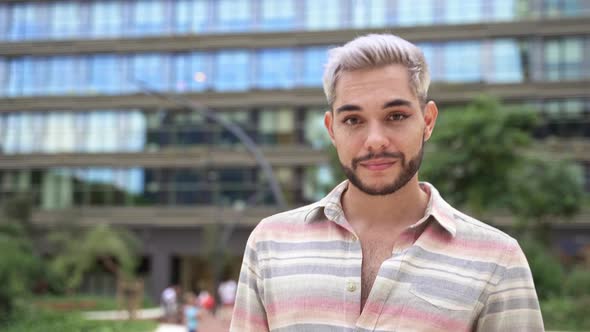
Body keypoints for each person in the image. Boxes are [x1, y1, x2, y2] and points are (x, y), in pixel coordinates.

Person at [230, 33, 544, 331]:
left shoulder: (498, 259)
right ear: (331, 129)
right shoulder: (269, 244)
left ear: (428, 121)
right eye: (353, 120)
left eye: (395, 116)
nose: (375, 140)